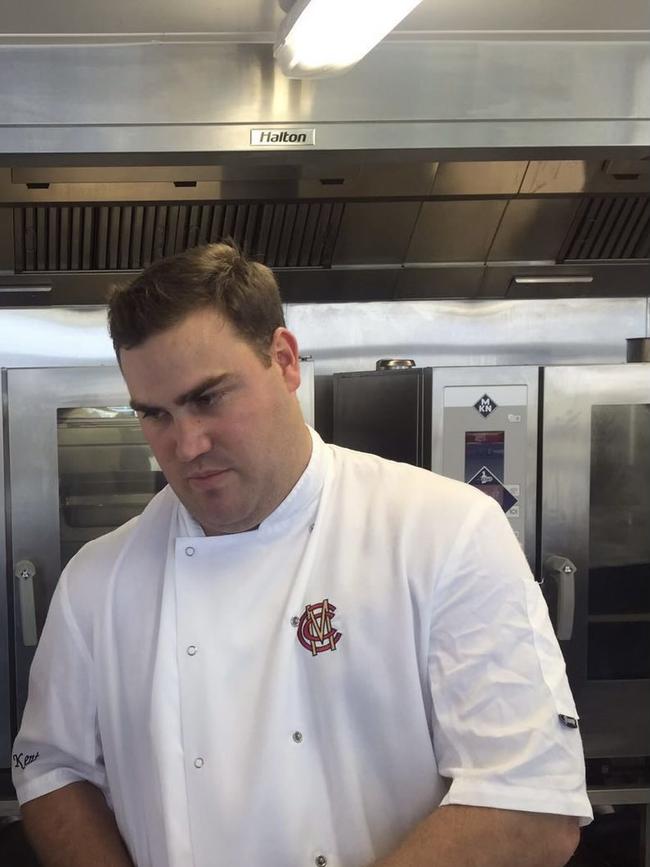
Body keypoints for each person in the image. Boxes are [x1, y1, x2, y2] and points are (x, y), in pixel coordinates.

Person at [12, 243, 592, 867]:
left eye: (209, 398)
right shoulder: (97, 580)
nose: (185, 444)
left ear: (284, 361)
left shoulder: (442, 533)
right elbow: (52, 769)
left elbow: (532, 806)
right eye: (155, 415)